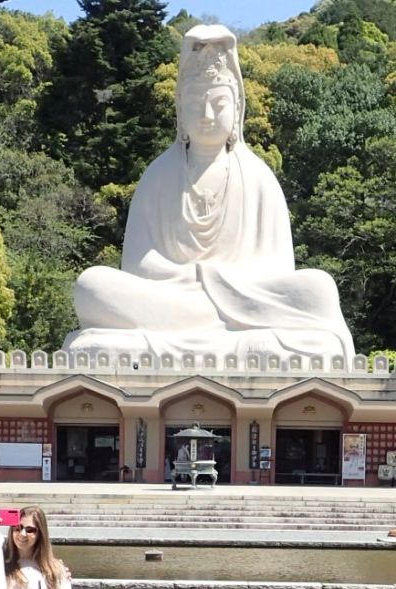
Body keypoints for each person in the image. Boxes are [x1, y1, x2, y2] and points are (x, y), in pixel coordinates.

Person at [63, 25, 355, 367]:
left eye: (218, 104)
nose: (207, 116)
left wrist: (217, 282)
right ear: (180, 114)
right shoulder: (158, 176)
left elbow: (278, 270)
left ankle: (208, 342)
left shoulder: (259, 177)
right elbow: (137, 267)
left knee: (319, 289)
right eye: (195, 104)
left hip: (245, 306)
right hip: (174, 301)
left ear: (236, 112)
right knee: (91, 286)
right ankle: (240, 346)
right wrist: (195, 280)